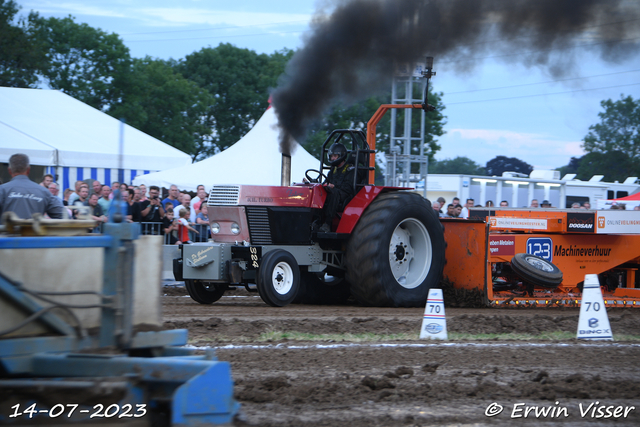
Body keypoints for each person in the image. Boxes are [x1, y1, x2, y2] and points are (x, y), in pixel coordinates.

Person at [0, 154, 64, 220]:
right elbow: (63, 215)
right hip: (34, 229)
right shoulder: (44, 192)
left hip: (8, 230)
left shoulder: (2, 190)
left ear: (9, 170)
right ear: (28, 170)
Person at [319, 143, 356, 232]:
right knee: (319, 190)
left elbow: (348, 188)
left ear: (341, 155)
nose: (332, 158)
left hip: (346, 194)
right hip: (335, 192)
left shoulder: (350, 170)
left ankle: (327, 223)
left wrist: (334, 187)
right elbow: (326, 182)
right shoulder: (333, 170)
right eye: (331, 156)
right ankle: (317, 221)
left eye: (335, 156)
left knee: (333, 193)